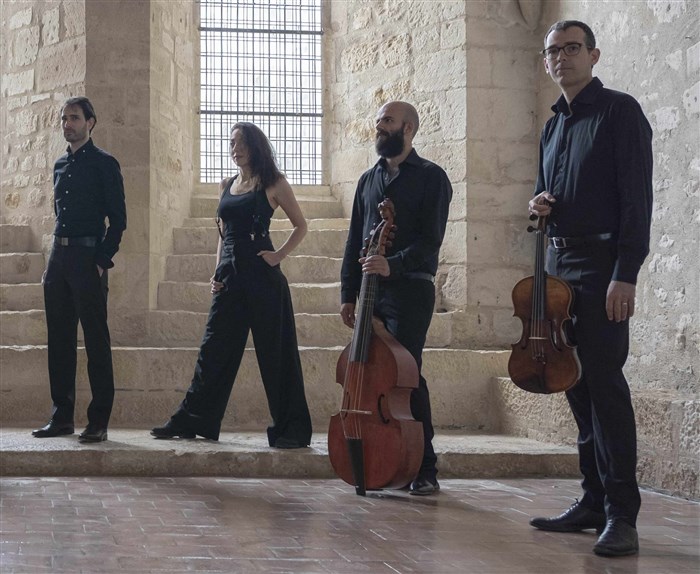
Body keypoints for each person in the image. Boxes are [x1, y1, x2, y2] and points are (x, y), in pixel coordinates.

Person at [527, 21, 653, 557]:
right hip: (559, 266)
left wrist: (627, 273)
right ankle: (593, 501)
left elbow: (636, 201)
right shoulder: (552, 125)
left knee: (604, 387)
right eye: (553, 51)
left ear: (593, 55)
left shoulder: (620, 112)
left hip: (603, 269)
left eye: (572, 48)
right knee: (574, 384)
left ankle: (622, 514)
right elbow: (548, 193)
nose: (562, 58)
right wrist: (538, 203)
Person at [151, 122, 312, 448]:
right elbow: (223, 235)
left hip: (263, 278)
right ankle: (192, 419)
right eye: (231, 144)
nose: (235, 149)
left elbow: (301, 226)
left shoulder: (274, 183)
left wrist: (278, 255)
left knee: (276, 353)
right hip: (229, 279)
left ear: (255, 146)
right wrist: (217, 273)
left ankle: (292, 430)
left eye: (241, 143)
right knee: (213, 351)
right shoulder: (226, 185)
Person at [340, 101, 453, 495]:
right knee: (373, 373)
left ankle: (425, 467)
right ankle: (384, 458)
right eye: (378, 122)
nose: (379, 127)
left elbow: (431, 241)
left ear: (408, 128)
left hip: (410, 290)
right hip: (371, 290)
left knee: (406, 374)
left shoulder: (431, 177)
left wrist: (394, 264)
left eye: (387, 121)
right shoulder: (367, 180)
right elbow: (355, 240)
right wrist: (347, 293)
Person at [32, 96, 127, 443]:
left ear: (90, 122)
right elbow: (60, 216)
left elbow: (118, 221)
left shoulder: (105, 163)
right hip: (59, 259)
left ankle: (98, 421)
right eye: (64, 118)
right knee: (59, 341)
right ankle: (61, 418)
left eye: (74, 118)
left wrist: (102, 261)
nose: (67, 124)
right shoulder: (59, 165)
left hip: (89, 260)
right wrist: (52, 263)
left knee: (96, 341)